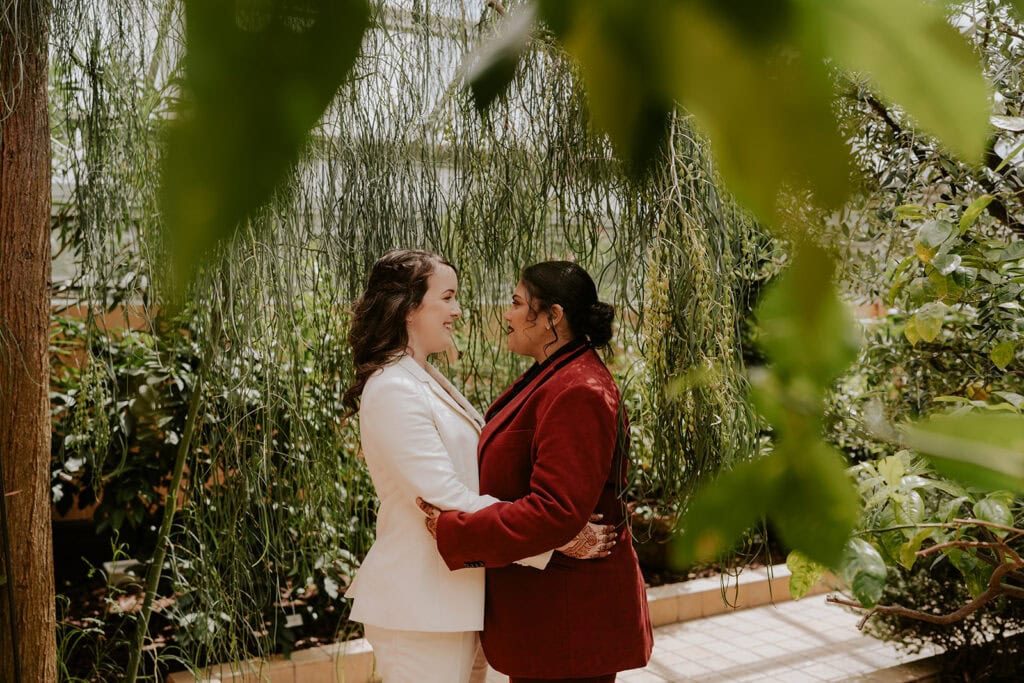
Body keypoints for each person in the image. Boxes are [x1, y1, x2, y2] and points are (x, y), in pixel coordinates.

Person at [342, 250, 615, 683]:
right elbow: (445, 496)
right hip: (420, 604)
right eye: (447, 297)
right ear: (410, 308)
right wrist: (555, 538)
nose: (458, 310)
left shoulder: (423, 376)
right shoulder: (394, 386)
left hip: (459, 598)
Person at [419, 260, 654, 683]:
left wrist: (459, 531)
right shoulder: (554, 374)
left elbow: (555, 511)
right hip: (550, 621)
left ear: (553, 317)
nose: (506, 314)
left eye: (516, 302)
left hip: (568, 625)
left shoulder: (579, 389)